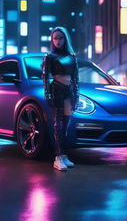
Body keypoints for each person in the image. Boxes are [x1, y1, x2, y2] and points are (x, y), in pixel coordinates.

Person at [42, 26, 79, 171]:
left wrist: (76, 95)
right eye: (55, 38)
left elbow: (76, 78)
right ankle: (58, 157)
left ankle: (63, 154)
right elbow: (45, 76)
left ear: (65, 39)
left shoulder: (72, 56)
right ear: (52, 40)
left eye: (61, 38)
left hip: (69, 91)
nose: (58, 41)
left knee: (66, 124)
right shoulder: (49, 57)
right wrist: (47, 94)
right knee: (58, 124)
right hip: (56, 89)